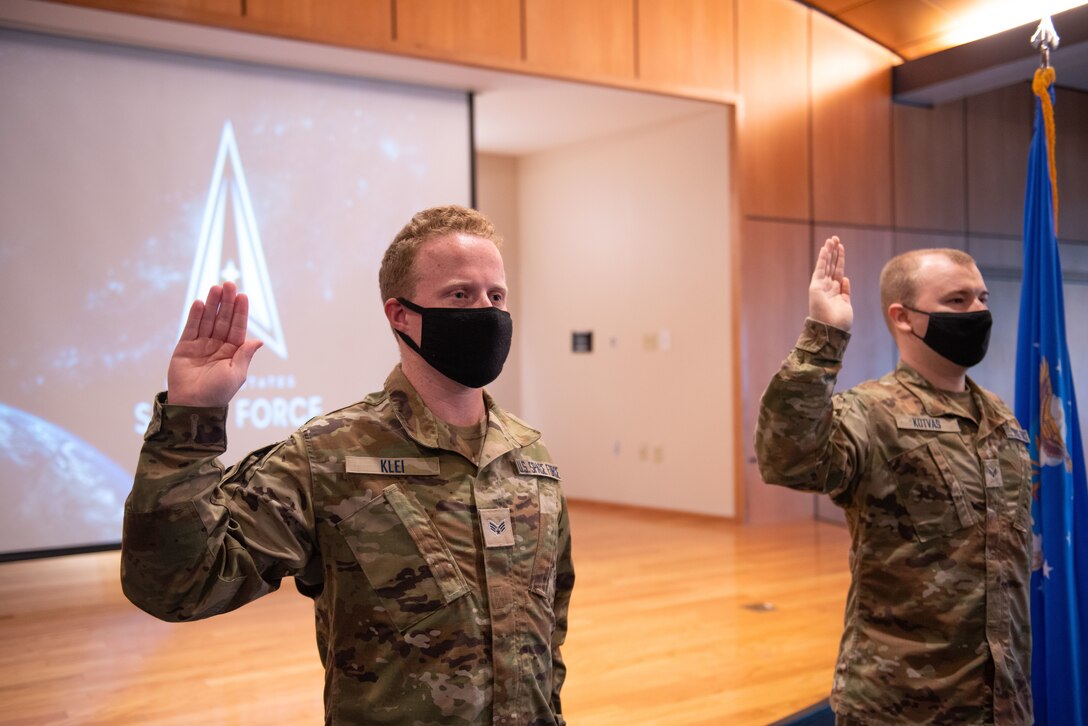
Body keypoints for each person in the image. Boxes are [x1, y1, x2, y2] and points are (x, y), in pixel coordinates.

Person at [121, 205, 574, 725]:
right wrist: (190, 421)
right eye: (459, 295)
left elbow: (548, 628)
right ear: (400, 315)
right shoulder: (328, 456)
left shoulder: (529, 459)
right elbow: (178, 584)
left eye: (496, 296)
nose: (486, 311)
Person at [755, 237, 1032, 724]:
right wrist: (824, 337)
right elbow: (788, 458)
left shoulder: (1002, 421)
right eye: (956, 300)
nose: (977, 312)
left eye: (982, 298)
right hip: (900, 705)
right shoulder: (871, 413)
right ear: (903, 317)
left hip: (1000, 702)